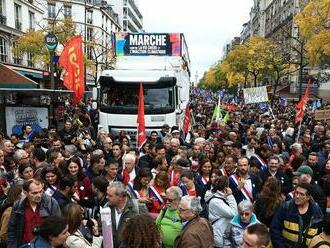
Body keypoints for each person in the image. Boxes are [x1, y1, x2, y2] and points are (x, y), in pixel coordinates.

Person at [7, 179, 61, 247]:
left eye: (40, 191)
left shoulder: (51, 203)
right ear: (26, 193)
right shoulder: (18, 205)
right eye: (34, 193)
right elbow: (12, 230)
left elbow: (58, 228)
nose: (39, 195)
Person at [271, 182, 324, 248]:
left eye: (301, 194)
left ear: (308, 197)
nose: (297, 196)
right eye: (296, 193)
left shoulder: (316, 212)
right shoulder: (285, 207)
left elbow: (320, 234)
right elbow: (275, 230)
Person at [105, 182, 139, 248]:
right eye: (107, 194)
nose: (107, 197)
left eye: (110, 195)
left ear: (120, 197)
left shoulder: (137, 208)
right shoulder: (106, 207)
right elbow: (102, 229)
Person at [207, 176, 238, 248]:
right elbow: (234, 213)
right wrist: (230, 196)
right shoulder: (216, 201)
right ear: (226, 187)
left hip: (224, 234)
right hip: (219, 236)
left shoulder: (221, 197)